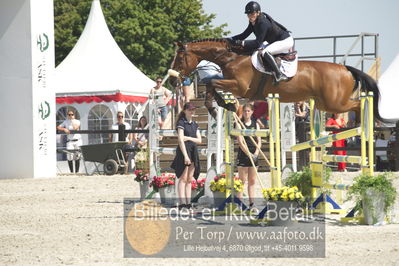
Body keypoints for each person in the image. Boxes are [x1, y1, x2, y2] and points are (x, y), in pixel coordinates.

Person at [231, 1, 294, 82]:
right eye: (248, 14)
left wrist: (242, 43)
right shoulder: (254, 21)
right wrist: (230, 39)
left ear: (258, 12)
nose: (250, 16)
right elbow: (244, 35)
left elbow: (257, 43)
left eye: (252, 14)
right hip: (274, 41)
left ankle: (279, 75)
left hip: (285, 41)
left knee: (265, 52)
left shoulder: (263, 23)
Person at [171, 102, 202, 209]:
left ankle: (188, 202)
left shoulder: (195, 124)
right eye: (190, 110)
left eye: (193, 109)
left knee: (189, 178)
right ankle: (182, 202)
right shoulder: (181, 122)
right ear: (185, 111)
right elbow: (180, 140)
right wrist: (185, 156)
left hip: (193, 150)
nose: (192, 111)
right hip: (184, 151)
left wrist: (188, 138)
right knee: (183, 178)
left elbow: (199, 140)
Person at [236, 103, 261, 208]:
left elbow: (259, 140)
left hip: (254, 153)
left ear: (252, 112)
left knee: (252, 180)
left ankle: (251, 203)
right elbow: (240, 142)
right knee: (242, 180)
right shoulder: (239, 124)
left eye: (248, 111)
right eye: (245, 111)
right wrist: (248, 153)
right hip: (244, 153)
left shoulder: (256, 124)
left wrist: (255, 153)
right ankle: (240, 203)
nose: (246, 113)